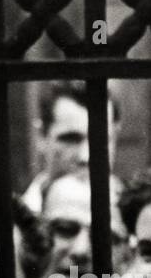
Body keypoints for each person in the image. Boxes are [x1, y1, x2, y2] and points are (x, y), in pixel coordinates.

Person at [22, 81, 120, 212]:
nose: (85, 157)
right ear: (41, 137)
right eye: (71, 139)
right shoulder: (12, 227)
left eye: (100, 140)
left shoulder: (138, 222)